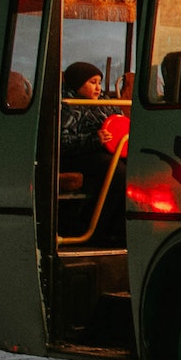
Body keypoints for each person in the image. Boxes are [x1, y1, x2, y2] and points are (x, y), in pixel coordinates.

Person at [59, 61, 126, 245]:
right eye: (92, 82)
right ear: (78, 84)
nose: (98, 88)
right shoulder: (68, 105)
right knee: (117, 171)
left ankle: (118, 228)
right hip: (76, 156)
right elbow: (61, 143)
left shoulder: (105, 103)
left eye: (99, 82)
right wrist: (93, 139)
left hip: (107, 151)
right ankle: (92, 228)